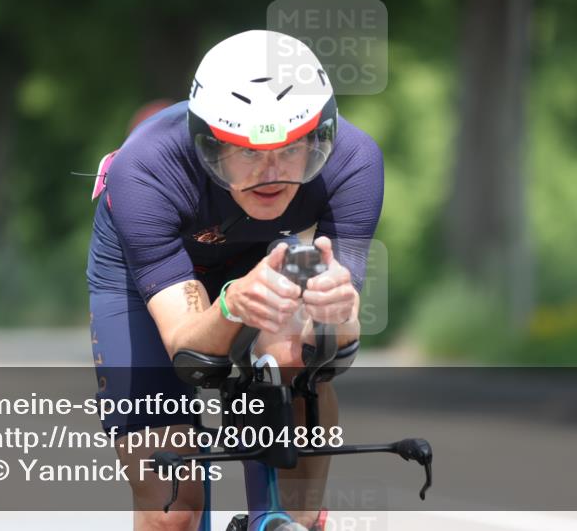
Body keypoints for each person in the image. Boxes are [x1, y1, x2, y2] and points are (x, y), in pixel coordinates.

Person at [86, 29, 384, 531]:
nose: (270, 173)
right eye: (246, 152)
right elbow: (185, 345)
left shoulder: (353, 162)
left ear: (321, 136)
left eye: (292, 150)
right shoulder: (145, 170)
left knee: (296, 360)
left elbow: (341, 336)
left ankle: (290, 516)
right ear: (207, 145)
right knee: (172, 511)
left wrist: (337, 315)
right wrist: (230, 307)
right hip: (155, 282)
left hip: (269, 254)